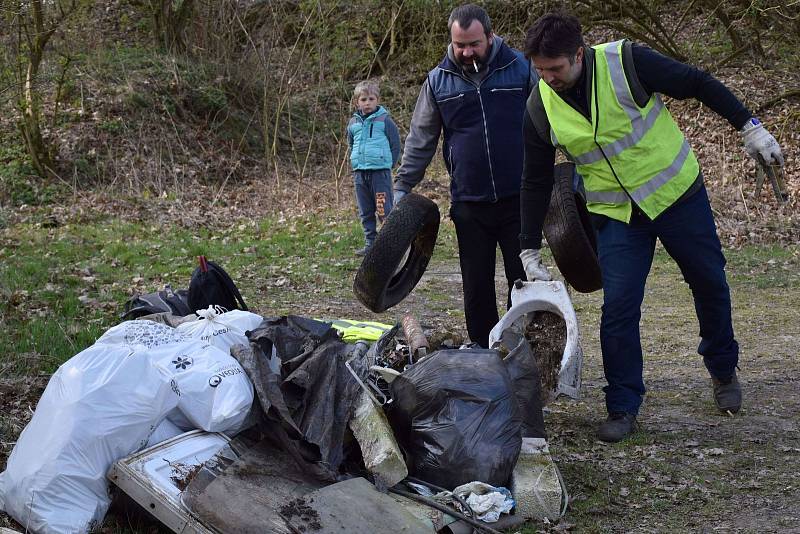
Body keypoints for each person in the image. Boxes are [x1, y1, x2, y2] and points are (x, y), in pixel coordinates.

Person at [519, 12, 784, 442]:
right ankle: (622, 406)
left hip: (677, 195)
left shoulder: (627, 62)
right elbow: (534, 179)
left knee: (709, 281)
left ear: (579, 54)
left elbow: (698, 83)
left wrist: (748, 126)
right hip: (619, 215)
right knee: (618, 309)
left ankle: (722, 370)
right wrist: (528, 246)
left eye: (556, 69)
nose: (548, 78)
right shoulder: (539, 105)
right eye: (540, 70)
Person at [393, 4, 536, 348]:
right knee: (476, 285)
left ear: (490, 35)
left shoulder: (520, 68)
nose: (467, 51)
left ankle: (524, 349)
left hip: (519, 197)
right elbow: (421, 138)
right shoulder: (438, 81)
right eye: (460, 45)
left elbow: (551, 121)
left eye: (474, 43)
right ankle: (484, 351)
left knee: (525, 281)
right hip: (469, 202)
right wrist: (402, 186)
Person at [347, 79, 401, 256]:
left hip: (380, 174)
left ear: (377, 100)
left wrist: (389, 164)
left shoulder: (384, 121)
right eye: (363, 99)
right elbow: (351, 144)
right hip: (360, 174)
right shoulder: (353, 123)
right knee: (366, 210)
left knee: (383, 209)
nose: (367, 103)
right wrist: (355, 161)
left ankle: (389, 245)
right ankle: (370, 243)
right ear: (357, 102)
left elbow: (395, 144)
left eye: (371, 99)